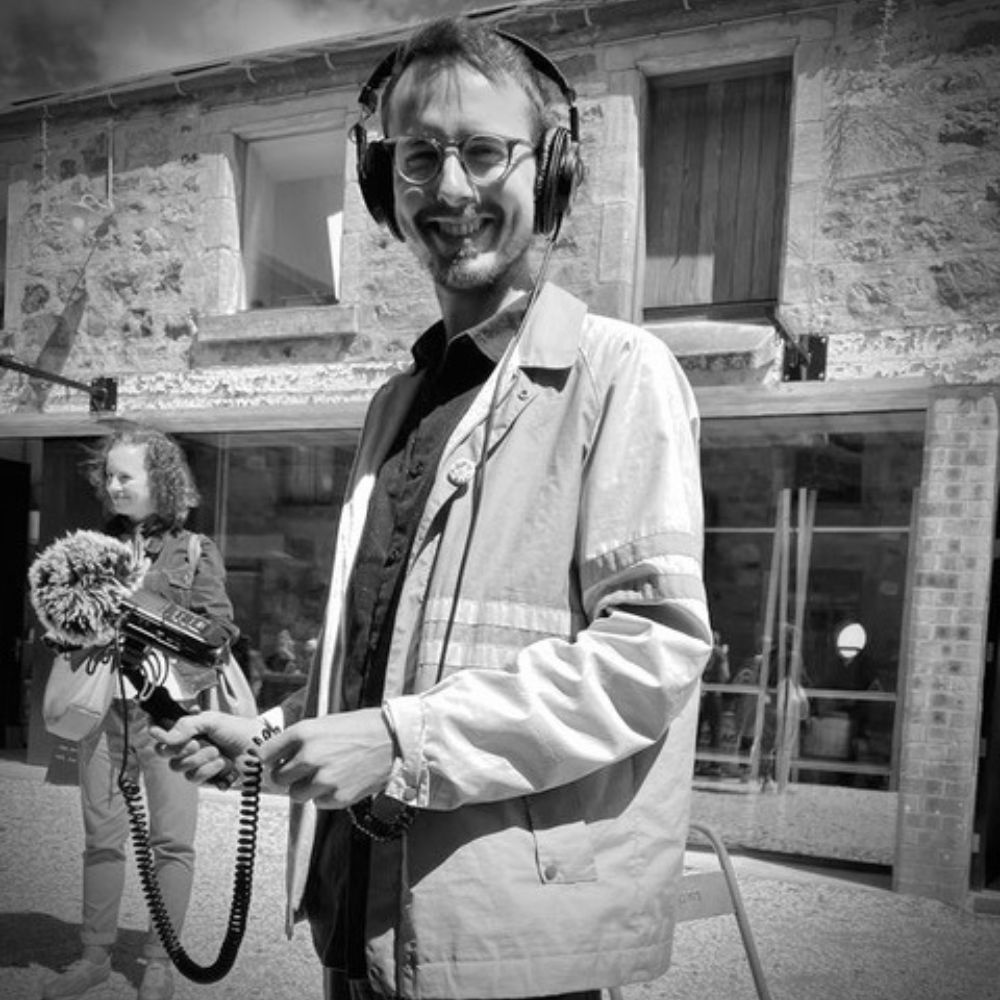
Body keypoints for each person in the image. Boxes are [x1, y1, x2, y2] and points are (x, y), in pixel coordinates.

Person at [153, 17, 712, 1000]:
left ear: (551, 171)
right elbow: (387, 659)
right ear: (384, 187)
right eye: (419, 159)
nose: (449, 189)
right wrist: (277, 736)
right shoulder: (396, 403)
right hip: (355, 924)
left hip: (504, 951)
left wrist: (399, 743)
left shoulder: (620, 373)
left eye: (485, 152)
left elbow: (649, 656)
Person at [42, 427, 239, 1000]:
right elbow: (66, 627)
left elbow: (222, 631)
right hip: (102, 712)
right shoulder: (90, 547)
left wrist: (148, 615)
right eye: (109, 476)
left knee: (172, 842)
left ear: (161, 481)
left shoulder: (195, 549)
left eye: (125, 475)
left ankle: (159, 961)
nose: (114, 485)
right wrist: (67, 624)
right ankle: (93, 957)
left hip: (171, 718)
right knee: (101, 839)